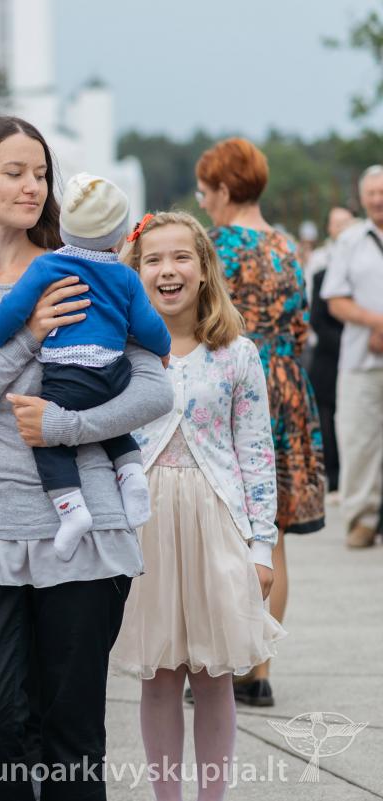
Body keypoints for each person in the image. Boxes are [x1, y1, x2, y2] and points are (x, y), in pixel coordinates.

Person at [0, 116, 173, 800]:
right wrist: (26, 339)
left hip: (85, 528)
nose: (32, 186)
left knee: (72, 731)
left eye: (42, 173)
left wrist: (68, 425)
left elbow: (155, 385)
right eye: (14, 171)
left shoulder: (87, 268)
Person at [113, 211, 284, 800]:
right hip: (146, 524)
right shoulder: (123, 351)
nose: (168, 270)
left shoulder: (237, 354)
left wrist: (262, 546)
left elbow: (257, 454)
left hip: (217, 524)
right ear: (135, 273)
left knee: (214, 675)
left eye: (181, 257)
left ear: (204, 269)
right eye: (153, 259)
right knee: (159, 676)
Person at [0, 174, 170, 559]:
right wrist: (163, 350)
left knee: (48, 439)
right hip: (114, 370)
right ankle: (132, 476)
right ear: (119, 234)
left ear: (64, 225)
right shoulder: (125, 275)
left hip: (68, 374)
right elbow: (149, 325)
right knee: (113, 423)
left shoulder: (48, 266)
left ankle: (71, 510)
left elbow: (13, 309)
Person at [196, 137, 324, 706]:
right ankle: (259, 669)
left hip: (234, 386)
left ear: (224, 189)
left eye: (205, 192)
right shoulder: (285, 244)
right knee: (271, 539)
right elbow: (301, 327)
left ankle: (221, 669)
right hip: (288, 385)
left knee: (220, 530)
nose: (203, 203)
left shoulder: (216, 246)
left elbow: (198, 321)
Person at [323, 166, 383, 551]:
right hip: (362, 357)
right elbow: (335, 299)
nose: (378, 199)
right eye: (372, 193)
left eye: (382, 192)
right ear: (362, 198)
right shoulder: (351, 241)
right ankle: (361, 518)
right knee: (359, 440)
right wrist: (376, 322)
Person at [306, 207, 356, 497]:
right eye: (337, 224)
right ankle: (334, 476)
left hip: (364, 352)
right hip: (328, 353)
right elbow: (317, 317)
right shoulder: (321, 266)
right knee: (328, 417)